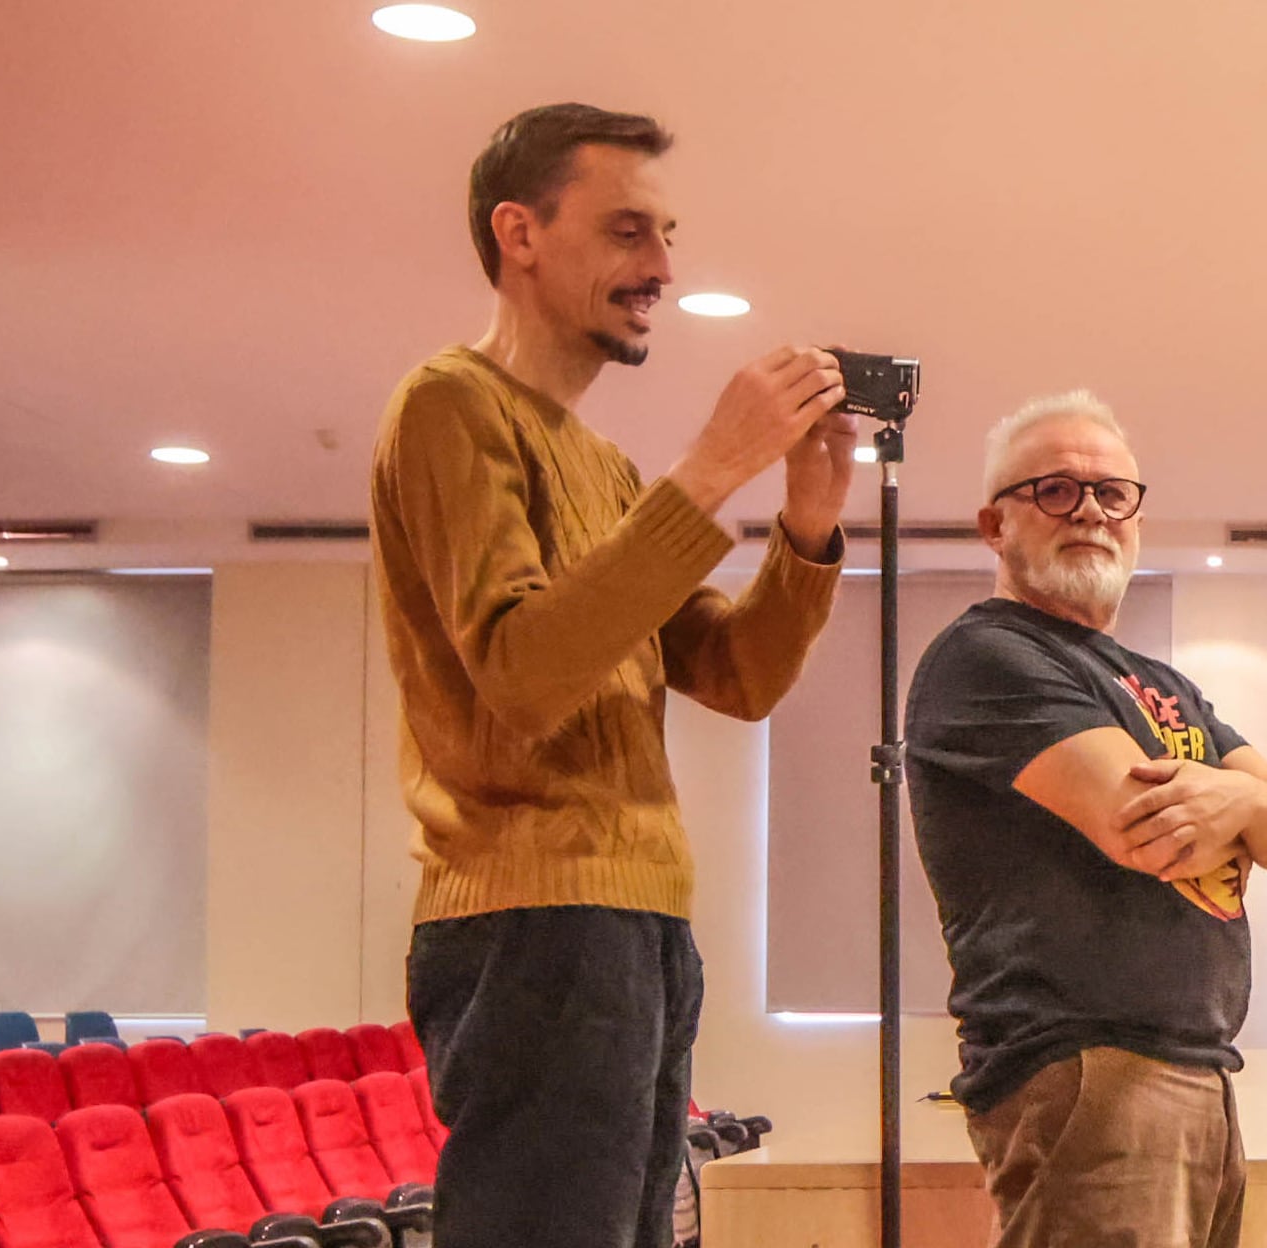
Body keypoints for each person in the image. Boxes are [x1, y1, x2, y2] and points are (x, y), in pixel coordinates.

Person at [369, 102, 856, 1248]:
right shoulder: (451, 405)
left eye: (666, 236)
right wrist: (710, 470)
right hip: (531, 919)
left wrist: (807, 528)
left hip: (637, 920)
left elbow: (736, 676)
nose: (663, 269)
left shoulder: (603, 464)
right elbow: (523, 671)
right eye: (629, 231)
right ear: (520, 234)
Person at [905, 391, 1267, 1247]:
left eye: (1112, 493)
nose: (1090, 511)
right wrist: (1245, 803)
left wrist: (1241, 803)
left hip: (1192, 1067)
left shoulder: (1159, 683)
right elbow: (1146, 828)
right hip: (1088, 1069)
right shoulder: (987, 656)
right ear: (994, 524)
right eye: (1054, 491)